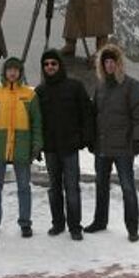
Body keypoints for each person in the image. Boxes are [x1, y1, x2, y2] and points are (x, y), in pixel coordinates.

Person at [84, 44, 139, 242]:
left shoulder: (132, 86)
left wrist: (138, 139)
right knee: (101, 185)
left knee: (127, 187)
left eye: (112, 62)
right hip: (102, 147)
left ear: (119, 64)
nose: (109, 65)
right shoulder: (100, 87)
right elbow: (95, 115)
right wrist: (91, 139)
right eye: (106, 62)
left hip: (123, 147)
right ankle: (100, 221)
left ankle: (132, 227)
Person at [0, 57, 43, 239]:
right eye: (10, 69)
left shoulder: (30, 96)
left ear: (21, 72)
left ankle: (25, 223)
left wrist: (36, 145)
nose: (13, 73)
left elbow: (37, 123)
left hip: (21, 148)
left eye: (16, 69)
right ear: (4, 72)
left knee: (24, 187)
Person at [35, 49, 93, 241]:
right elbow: (36, 121)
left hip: (69, 146)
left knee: (72, 188)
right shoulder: (40, 91)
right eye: (46, 64)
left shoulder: (74, 86)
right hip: (51, 148)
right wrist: (37, 145)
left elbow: (86, 113)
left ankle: (75, 226)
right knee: (54, 187)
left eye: (53, 63)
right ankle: (57, 223)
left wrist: (85, 138)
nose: (50, 67)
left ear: (60, 66)